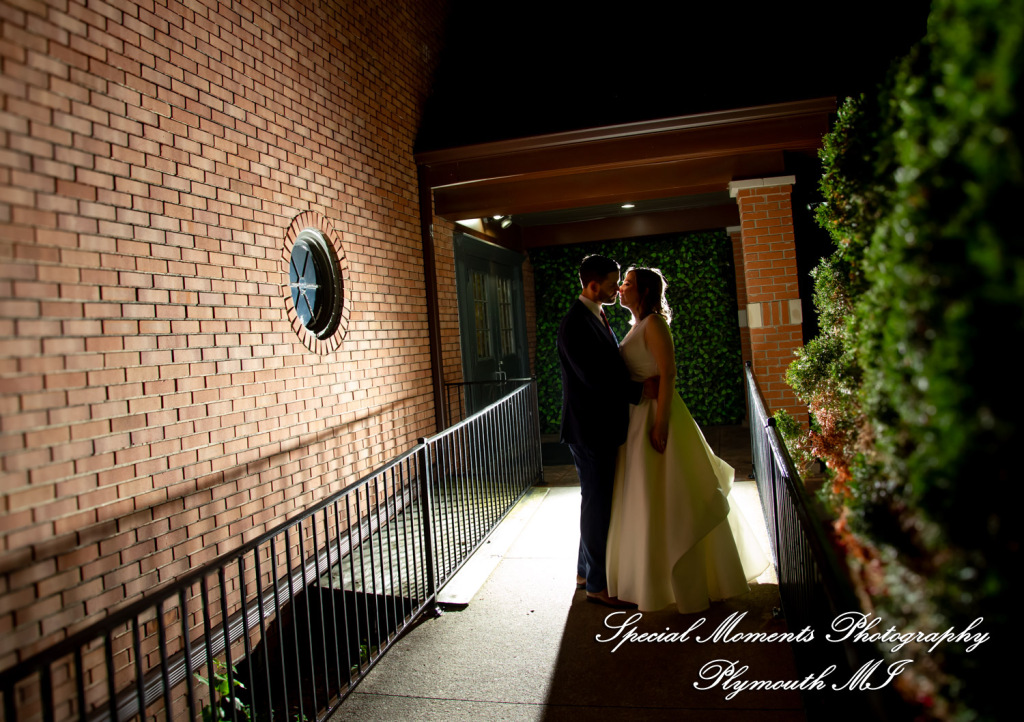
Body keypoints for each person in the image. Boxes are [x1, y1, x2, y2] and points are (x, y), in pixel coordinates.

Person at [606, 267, 769, 614]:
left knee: (675, 498)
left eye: (629, 283)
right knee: (649, 498)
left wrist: (661, 424)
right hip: (636, 421)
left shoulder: (653, 324)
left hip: (657, 416)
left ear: (645, 292)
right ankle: (653, 579)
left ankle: (692, 582)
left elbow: (668, 374)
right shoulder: (635, 325)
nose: (621, 288)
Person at [556, 255, 656, 609]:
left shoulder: (596, 314)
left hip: (599, 426)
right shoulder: (574, 324)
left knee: (594, 501)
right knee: (597, 505)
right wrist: (638, 391)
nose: (617, 289)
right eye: (613, 284)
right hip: (590, 429)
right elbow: (593, 378)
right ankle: (597, 585)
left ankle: (585, 571)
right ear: (592, 285)